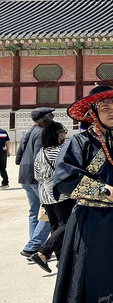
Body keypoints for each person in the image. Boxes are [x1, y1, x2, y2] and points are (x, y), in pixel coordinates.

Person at [52, 85, 113, 302]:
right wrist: (101, 189)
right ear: (92, 112)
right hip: (92, 222)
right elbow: (64, 179)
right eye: (105, 107)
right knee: (93, 276)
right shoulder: (78, 143)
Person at [30, 120, 73, 273]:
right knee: (67, 224)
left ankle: (61, 262)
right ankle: (43, 252)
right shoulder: (61, 151)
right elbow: (68, 173)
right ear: (57, 135)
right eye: (63, 133)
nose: (64, 136)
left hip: (44, 193)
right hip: (59, 192)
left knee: (55, 226)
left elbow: (36, 176)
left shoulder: (40, 153)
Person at [16, 107, 54, 257]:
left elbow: (19, 156)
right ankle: (33, 246)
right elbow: (40, 156)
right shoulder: (42, 133)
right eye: (51, 115)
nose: (53, 117)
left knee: (34, 212)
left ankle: (34, 244)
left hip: (25, 175)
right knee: (48, 211)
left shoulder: (29, 131)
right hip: (36, 177)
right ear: (44, 119)